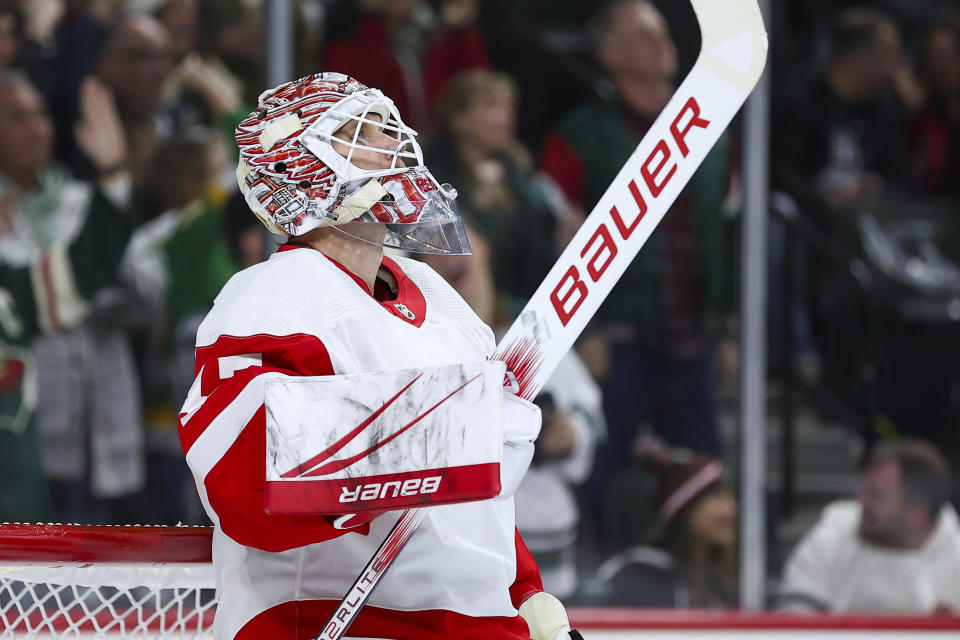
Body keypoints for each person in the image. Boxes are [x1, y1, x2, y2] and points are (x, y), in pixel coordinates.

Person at [178, 72, 581, 640]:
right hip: (340, 623)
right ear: (301, 168)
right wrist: (435, 435)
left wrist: (525, 594)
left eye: (389, 127)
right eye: (360, 132)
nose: (391, 144)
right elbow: (241, 489)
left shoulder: (441, 299)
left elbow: (474, 511)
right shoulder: (270, 299)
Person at [539, 0, 736, 532]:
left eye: (664, 32)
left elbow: (727, 234)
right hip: (620, 338)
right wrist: (586, 328)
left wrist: (727, 326)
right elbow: (558, 239)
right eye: (645, 34)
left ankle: (702, 592)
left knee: (704, 475)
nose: (665, 41)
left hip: (692, 334)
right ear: (611, 53)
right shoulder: (579, 136)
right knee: (600, 470)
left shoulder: (709, 130)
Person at [0, 70, 139, 523]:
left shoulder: (79, 200)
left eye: (39, 115)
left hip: (64, 428)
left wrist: (114, 176)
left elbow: (60, 283)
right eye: (17, 118)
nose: (35, 127)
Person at [779, 439, 960, 613]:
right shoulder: (833, 536)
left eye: (875, 495)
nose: (861, 501)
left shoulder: (956, 558)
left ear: (916, 514)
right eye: (864, 490)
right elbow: (795, 619)